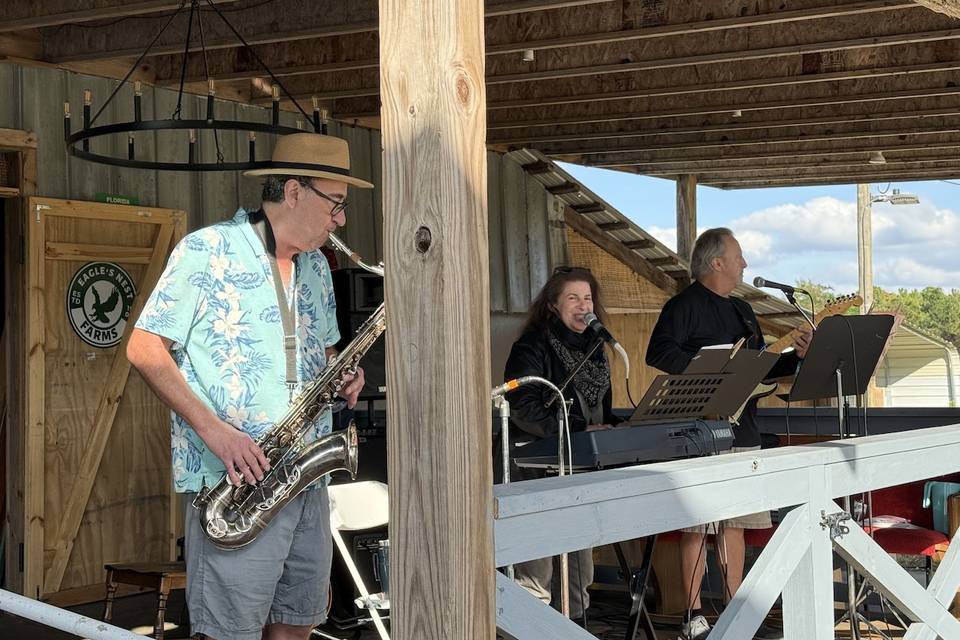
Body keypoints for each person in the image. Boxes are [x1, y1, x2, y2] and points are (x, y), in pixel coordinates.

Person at [127, 133, 371, 640]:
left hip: (307, 480)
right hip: (238, 483)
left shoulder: (317, 270)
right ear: (294, 191)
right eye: (336, 204)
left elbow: (323, 353)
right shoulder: (206, 250)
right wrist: (217, 434)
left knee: (297, 626)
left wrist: (343, 373)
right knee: (229, 632)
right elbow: (144, 348)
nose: (341, 219)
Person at [646, 228, 810, 640]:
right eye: (739, 256)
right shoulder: (683, 305)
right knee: (698, 525)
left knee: (736, 522)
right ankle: (693, 616)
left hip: (744, 427)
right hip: (699, 427)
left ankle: (737, 608)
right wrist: (711, 370)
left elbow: (760, 367)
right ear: (716, 262)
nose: (745, 263)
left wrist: (796, 358)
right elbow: (659, 353)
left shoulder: (743, 311)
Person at [502, 266, 622, 622]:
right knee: (535, 577)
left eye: (587, 298)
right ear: (553, 305)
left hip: (578, 468)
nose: (583, 305)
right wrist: (581, 428)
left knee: (578, 577)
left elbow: (601, 411)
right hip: (534, 469)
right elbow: (522, 407)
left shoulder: (597, 349)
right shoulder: (531, 345)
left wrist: (616, 427)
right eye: (573, 298)